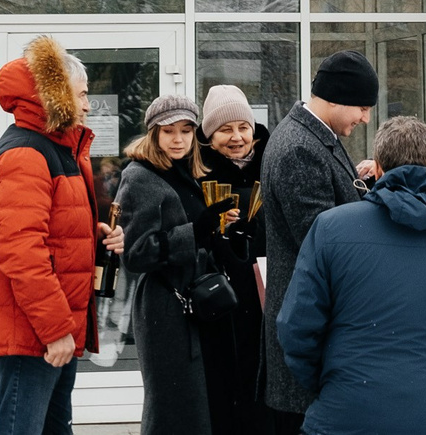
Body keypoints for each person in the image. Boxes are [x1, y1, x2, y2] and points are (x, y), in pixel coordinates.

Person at [274, 115, 426, 435]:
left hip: (343, 416)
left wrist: (329, 380)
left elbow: (295, 328)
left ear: (377, 169)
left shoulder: (331, 227)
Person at [0, 36, 126, 435]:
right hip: (35, 330)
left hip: (51, 324)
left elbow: (50, 226)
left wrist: (94, 233)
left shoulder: (55, 149)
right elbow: (20, 251)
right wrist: (56, 329)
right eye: (82, 94)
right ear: (57, 97)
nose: (89, 105)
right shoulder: (26, 153)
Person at [256, 50, 378, 434]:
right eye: (361, 106)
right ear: (335, 97)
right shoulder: (298, 147)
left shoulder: (311, 135)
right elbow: (323, 240)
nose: (365, 118)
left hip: (311, 329)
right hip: (308, 333)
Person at [117, 95, 238, 435]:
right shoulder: (139, 177)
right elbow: (136, 253)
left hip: (202, 305)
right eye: (168, 131)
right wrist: (197, 231)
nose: (178, 139)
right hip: (165, 309)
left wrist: (223, 230)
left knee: (205, 407)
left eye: (186, 130)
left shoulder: (189, 173)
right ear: (153, 134)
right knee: (173, 409)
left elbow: (201, 239)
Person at [196, 85, 271, 435]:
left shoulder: (272, 164)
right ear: (209, 135)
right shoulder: (197, 172)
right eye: (225, 130)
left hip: (264, 291)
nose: (237, 137)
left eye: (243, 127)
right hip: (218, 295)